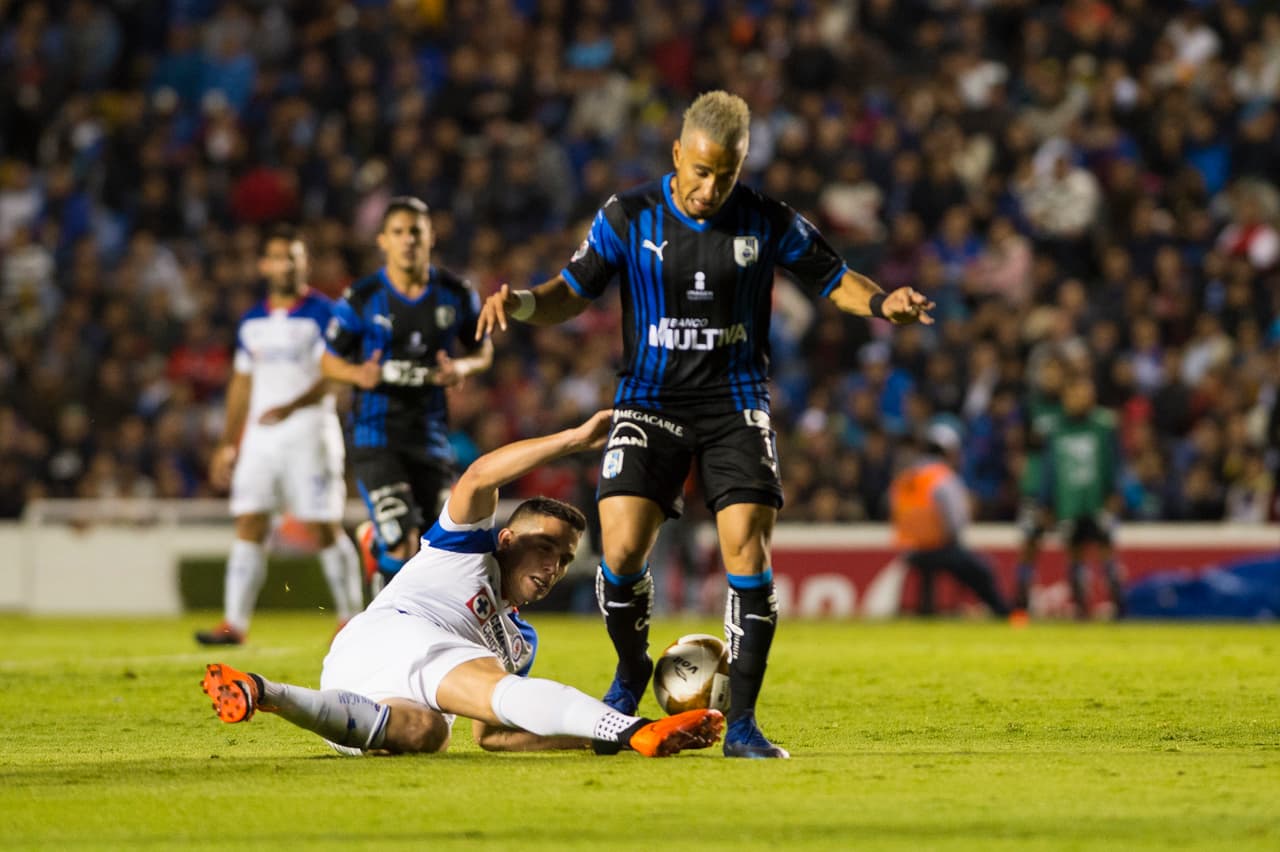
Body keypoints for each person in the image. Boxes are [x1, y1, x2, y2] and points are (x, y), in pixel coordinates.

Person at [476, 91, 933, 758]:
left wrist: (883, 300)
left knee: (747, 545)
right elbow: (569, 293)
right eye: (699, 171)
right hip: (649, 398)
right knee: (622, 546)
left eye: (726, 174)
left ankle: (742, 724)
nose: (710, 187)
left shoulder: (766, 219)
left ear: (742, 165)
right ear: (676, 156)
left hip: (733, 402)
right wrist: (518, 304)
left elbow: (834, 277)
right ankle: (632, 669)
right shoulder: (628, 215)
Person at [201, 411, 725, 758]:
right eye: (544, 547)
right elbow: (478, 478)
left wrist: (590, 738)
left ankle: (263, 691)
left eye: (564, 560)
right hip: (395, 633)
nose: (553, 567)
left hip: (355, 696)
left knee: (432, 734)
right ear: (507, 538)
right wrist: (571, 441)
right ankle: (634, 731)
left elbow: (495, 733)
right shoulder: (465, 547)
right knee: (478, 680)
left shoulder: (521, 642)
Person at [197, 227, 362, 646]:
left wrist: (292, 405)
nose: (284, 264)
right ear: (263, 265)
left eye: (293, 257)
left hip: (310, 432)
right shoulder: (252, 321)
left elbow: (338, 375)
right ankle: (234, 624)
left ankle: (351, 618)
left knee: (323, 524)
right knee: (250, 520)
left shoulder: (327, 313)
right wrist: (228, 443)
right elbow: (240, 384)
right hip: (261, 438)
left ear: (304, 263)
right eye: (277, 257)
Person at [322, 196, 493, 594]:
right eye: (398, 232)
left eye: (415, 231)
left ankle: (375, 546)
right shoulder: (362, 298)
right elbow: (328, 362)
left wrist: (460, 368)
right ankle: (383, 625)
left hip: (431, 438)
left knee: (432, 547)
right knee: (402, 534)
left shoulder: (455, 294)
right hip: (375, 436)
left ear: (431, 236)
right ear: (382, 240)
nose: (408, 241)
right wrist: (358, 374)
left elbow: (482, 350)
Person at [889, 423, 1011, 618]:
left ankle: (925, 610)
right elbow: (956, 522)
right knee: (982, 570)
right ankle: (1002, 612)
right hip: (939, 547)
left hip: (909, 549)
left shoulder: (905, 478)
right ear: (949, 451)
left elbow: (893, 511)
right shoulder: (942, 477)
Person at [1035, 374, 1126, 618]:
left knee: (1106, 548)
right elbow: (1049, 468)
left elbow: (1115, 461)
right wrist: (1046, 502)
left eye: (1084, 394)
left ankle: (1118, 603)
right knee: (1074, 551)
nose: (1079, 399)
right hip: (1069, 502)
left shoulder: (1104, 424)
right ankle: (1080, 605)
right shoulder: (1055, 428)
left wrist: (1115, 491)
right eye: (1074, 394)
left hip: (1098, 500)